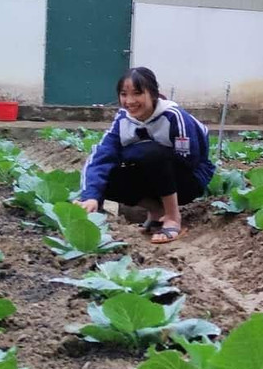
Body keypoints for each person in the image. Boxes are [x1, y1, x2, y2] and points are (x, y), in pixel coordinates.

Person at [76, 67, 215, 244]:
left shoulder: (174, 116)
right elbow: (101, 156)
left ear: (154, 94)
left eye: (137, 93)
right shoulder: (123, 119)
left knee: (151, 153)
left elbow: (189, 160)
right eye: (124, 94)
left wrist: (136, 152)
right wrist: (91, 196)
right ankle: (157, 210)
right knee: (107, 176)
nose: (130, 101)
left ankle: (173, 217)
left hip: (188, 180)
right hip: (155, 177)